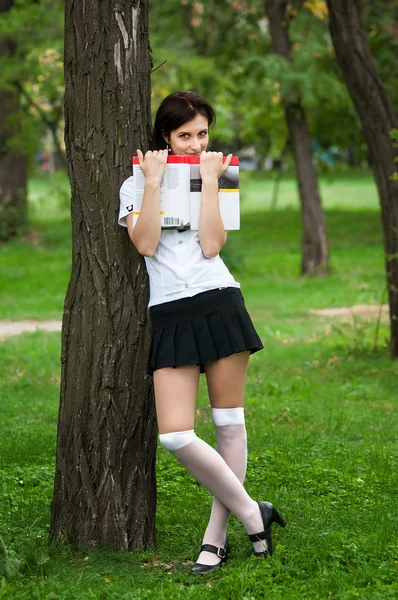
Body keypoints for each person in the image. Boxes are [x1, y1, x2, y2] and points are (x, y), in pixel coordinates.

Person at [118, 91, 286, 574]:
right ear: (165, 136)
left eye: (202, 134)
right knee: (175, 434)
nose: (195, 144)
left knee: (229, 422)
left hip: (219, 301)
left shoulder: (221, 174)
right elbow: (146, 243)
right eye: (184, 135)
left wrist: (210, 183)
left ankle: (215, 539)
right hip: (170, 310)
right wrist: (153, 183)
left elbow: (212, 245)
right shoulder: (134, 183)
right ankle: (255, 513)